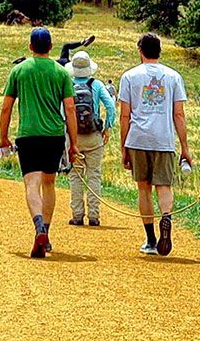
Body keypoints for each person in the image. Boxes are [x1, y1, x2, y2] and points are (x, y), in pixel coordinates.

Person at [0, 26, 79, 258]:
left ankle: (38, 228)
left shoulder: (19, 71)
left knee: (31, 184)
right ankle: (47, 232)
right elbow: (70, 109)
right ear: (51, 47)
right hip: (54, 135)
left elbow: (6, 107)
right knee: (49, 184)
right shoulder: (61, 72)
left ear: (31, 47)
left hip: (28, 134)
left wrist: (3, 136)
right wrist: (73, 143)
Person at [116, 33, 191, 256]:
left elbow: (124, 117)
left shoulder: (129, 77)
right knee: (164, 186)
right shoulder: (173, 76)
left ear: (140, 50)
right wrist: (185, 147)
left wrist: (124, 148)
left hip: (138, 138)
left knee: (143, 188)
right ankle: (165, 217)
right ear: (160, 50)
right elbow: (179, 114)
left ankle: (150, 239)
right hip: (164, 138)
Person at [66, 51, 117, 226]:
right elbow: (110, 106)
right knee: (94, 175)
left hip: (74, 138)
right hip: (94, 136)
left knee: (75, 175)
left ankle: (77, 215)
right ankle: (94, 216)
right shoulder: (96, 85)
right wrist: (107, 128)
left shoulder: (68, 84)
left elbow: (61, 110)